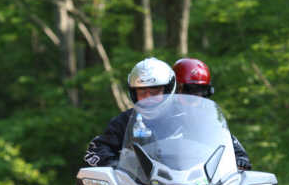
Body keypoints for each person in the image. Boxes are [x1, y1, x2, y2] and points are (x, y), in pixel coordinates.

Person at [84, 56, 251, 171]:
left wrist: (239, 161)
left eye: (155, 91)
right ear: (133, 93)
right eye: (142, 92)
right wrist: (114, 166)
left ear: (169, 88)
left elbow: (227, 143)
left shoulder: (192, 119)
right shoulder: (124, 121)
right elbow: (95, 150)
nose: (148, 97)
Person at [173, 57, 250, 170]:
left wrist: (240, 160)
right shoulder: (163, 118)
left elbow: (235, 149)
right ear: (176, 89)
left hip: (204, 181)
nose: (196, 96)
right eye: (190, 89)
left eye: (202, 90)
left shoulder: (209, 120)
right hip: (165, 180)